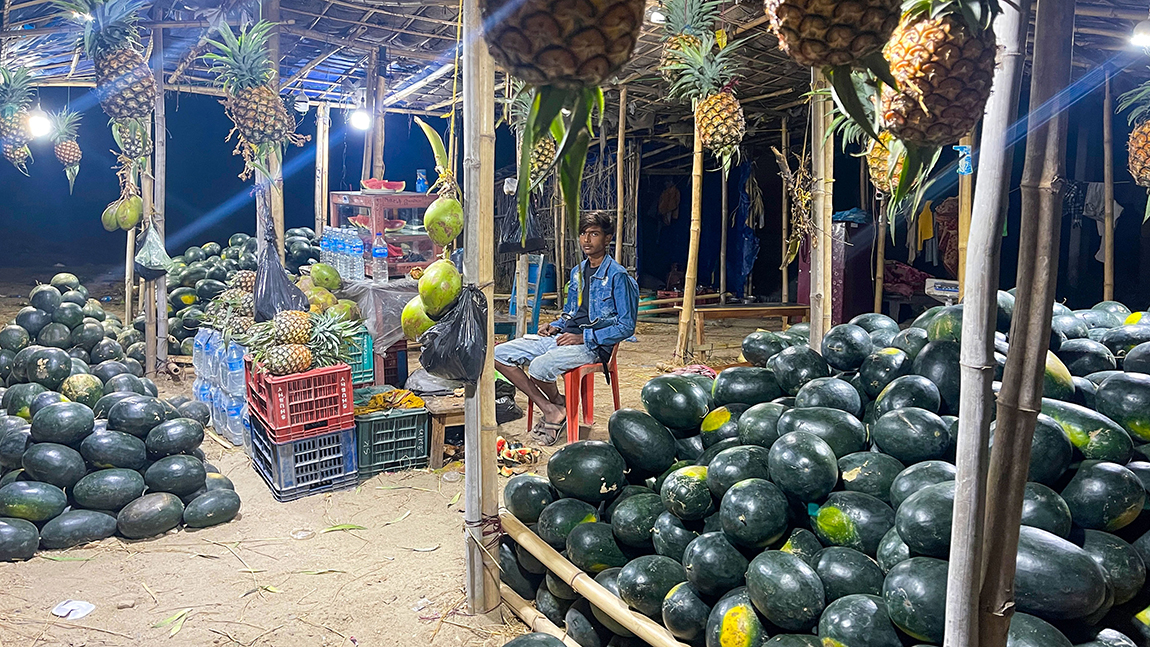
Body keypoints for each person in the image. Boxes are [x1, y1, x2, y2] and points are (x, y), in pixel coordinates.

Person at [494, 211, 639, 445]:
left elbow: (626, 326)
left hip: (594, 346)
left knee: (540, 367)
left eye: (594, 234)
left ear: (608, 239)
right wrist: (555, 325)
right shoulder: (578, 272)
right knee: (499, 354)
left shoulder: (618, 277)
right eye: (583, 234)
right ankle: (552, 407)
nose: (587, 240)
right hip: (563, 337)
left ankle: (555, 409)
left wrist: (583, 337)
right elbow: (571, 314)